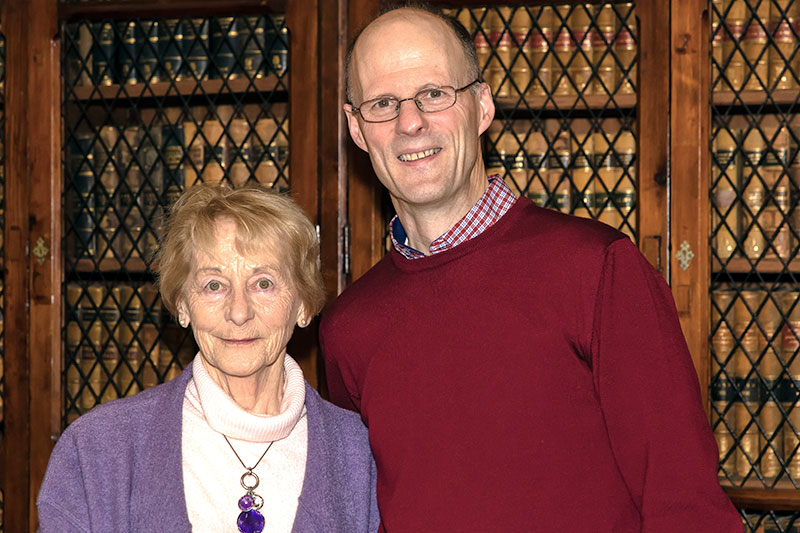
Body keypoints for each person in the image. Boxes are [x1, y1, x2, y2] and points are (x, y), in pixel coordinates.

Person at [319, 5, 742, 531]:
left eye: (433, 94)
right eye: (383, 103)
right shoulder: (347, 328)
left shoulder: (596, 270)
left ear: (481, 105)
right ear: (357, 130)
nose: (410, 122)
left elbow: (686, 506)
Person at [38, 185, 379, 532]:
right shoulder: (98, 449)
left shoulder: (361, 455)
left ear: (303, 304)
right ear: (183, 305)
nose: (239, 312)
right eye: (214, 285)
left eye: (263, 283)